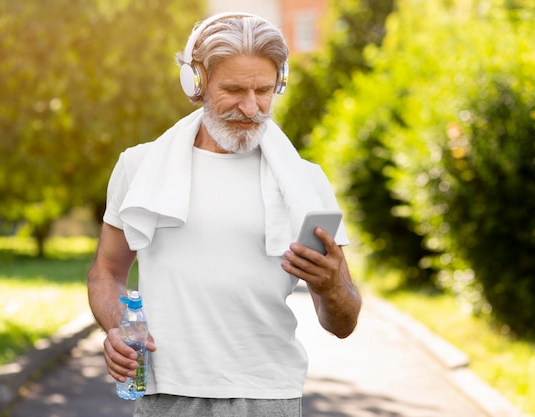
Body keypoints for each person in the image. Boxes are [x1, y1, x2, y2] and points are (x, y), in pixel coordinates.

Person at [87, 12, 361, 417]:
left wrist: (332, 286)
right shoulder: (139, 168)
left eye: (264, 90)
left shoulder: (306, 183)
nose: (251, 107)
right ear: (195, 82)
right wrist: (118, 329)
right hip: (166, 395)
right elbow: (107, 271)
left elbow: (343, 322)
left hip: (269, 396)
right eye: (233, 89)